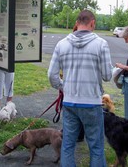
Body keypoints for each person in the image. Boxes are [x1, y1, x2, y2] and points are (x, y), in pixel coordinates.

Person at [48, 10, 113, 167]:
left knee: (68, 145)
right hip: (92, 103)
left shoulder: (61, 44)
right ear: (92, 23)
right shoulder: (101, 44)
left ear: (76, 23)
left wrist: (63, 87)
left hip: (69, 102)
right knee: (96, 147)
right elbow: (107, 76)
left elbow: (51, 74)